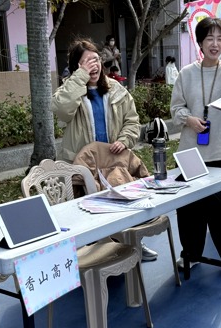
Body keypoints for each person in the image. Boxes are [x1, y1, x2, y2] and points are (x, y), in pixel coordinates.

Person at [51, 39, 159, 261]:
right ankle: (96, 254)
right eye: (86, 62)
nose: (94, 65)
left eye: (96, 59)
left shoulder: (116, 89)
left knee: (122, 205)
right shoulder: (69, 91)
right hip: (82, 165)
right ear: (76, 67)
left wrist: (125, 139)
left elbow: (132, 121)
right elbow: (62, 111)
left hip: (113, 161)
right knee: (88, 213)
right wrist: (80, 78)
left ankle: (132, 243)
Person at [169, 17, 221, 277]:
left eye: (220, 39)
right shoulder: (186, 73)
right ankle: (191, 254)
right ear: (200, 43)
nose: (214, 44)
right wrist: (188, 119)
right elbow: (175, 108)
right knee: (189, 207)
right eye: (209, 38)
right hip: (191, 151)